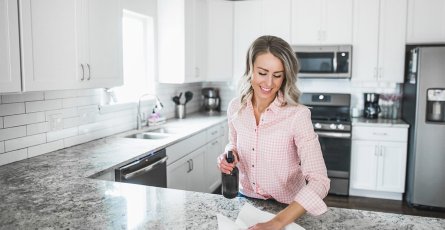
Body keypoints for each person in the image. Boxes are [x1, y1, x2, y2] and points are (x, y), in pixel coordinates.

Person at [217, 35, 330, 230]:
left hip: (287, 209)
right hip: (246, 201)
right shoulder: (235, 107)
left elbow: (320, 181)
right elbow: (233, 143)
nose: (269, 83)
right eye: (262, 72)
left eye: (277, 75)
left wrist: (276, 222)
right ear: (250, 68)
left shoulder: (298, 115)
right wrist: (230, 155)